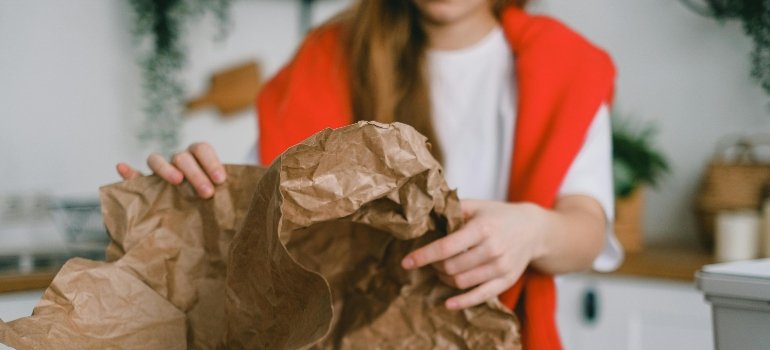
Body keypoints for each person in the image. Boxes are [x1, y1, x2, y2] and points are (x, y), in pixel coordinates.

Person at [117, 0, 623, 348]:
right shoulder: (327, 57)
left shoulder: (567, 66)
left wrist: (535, 231)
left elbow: (587, 226)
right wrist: (197, 198)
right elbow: (263, 210)